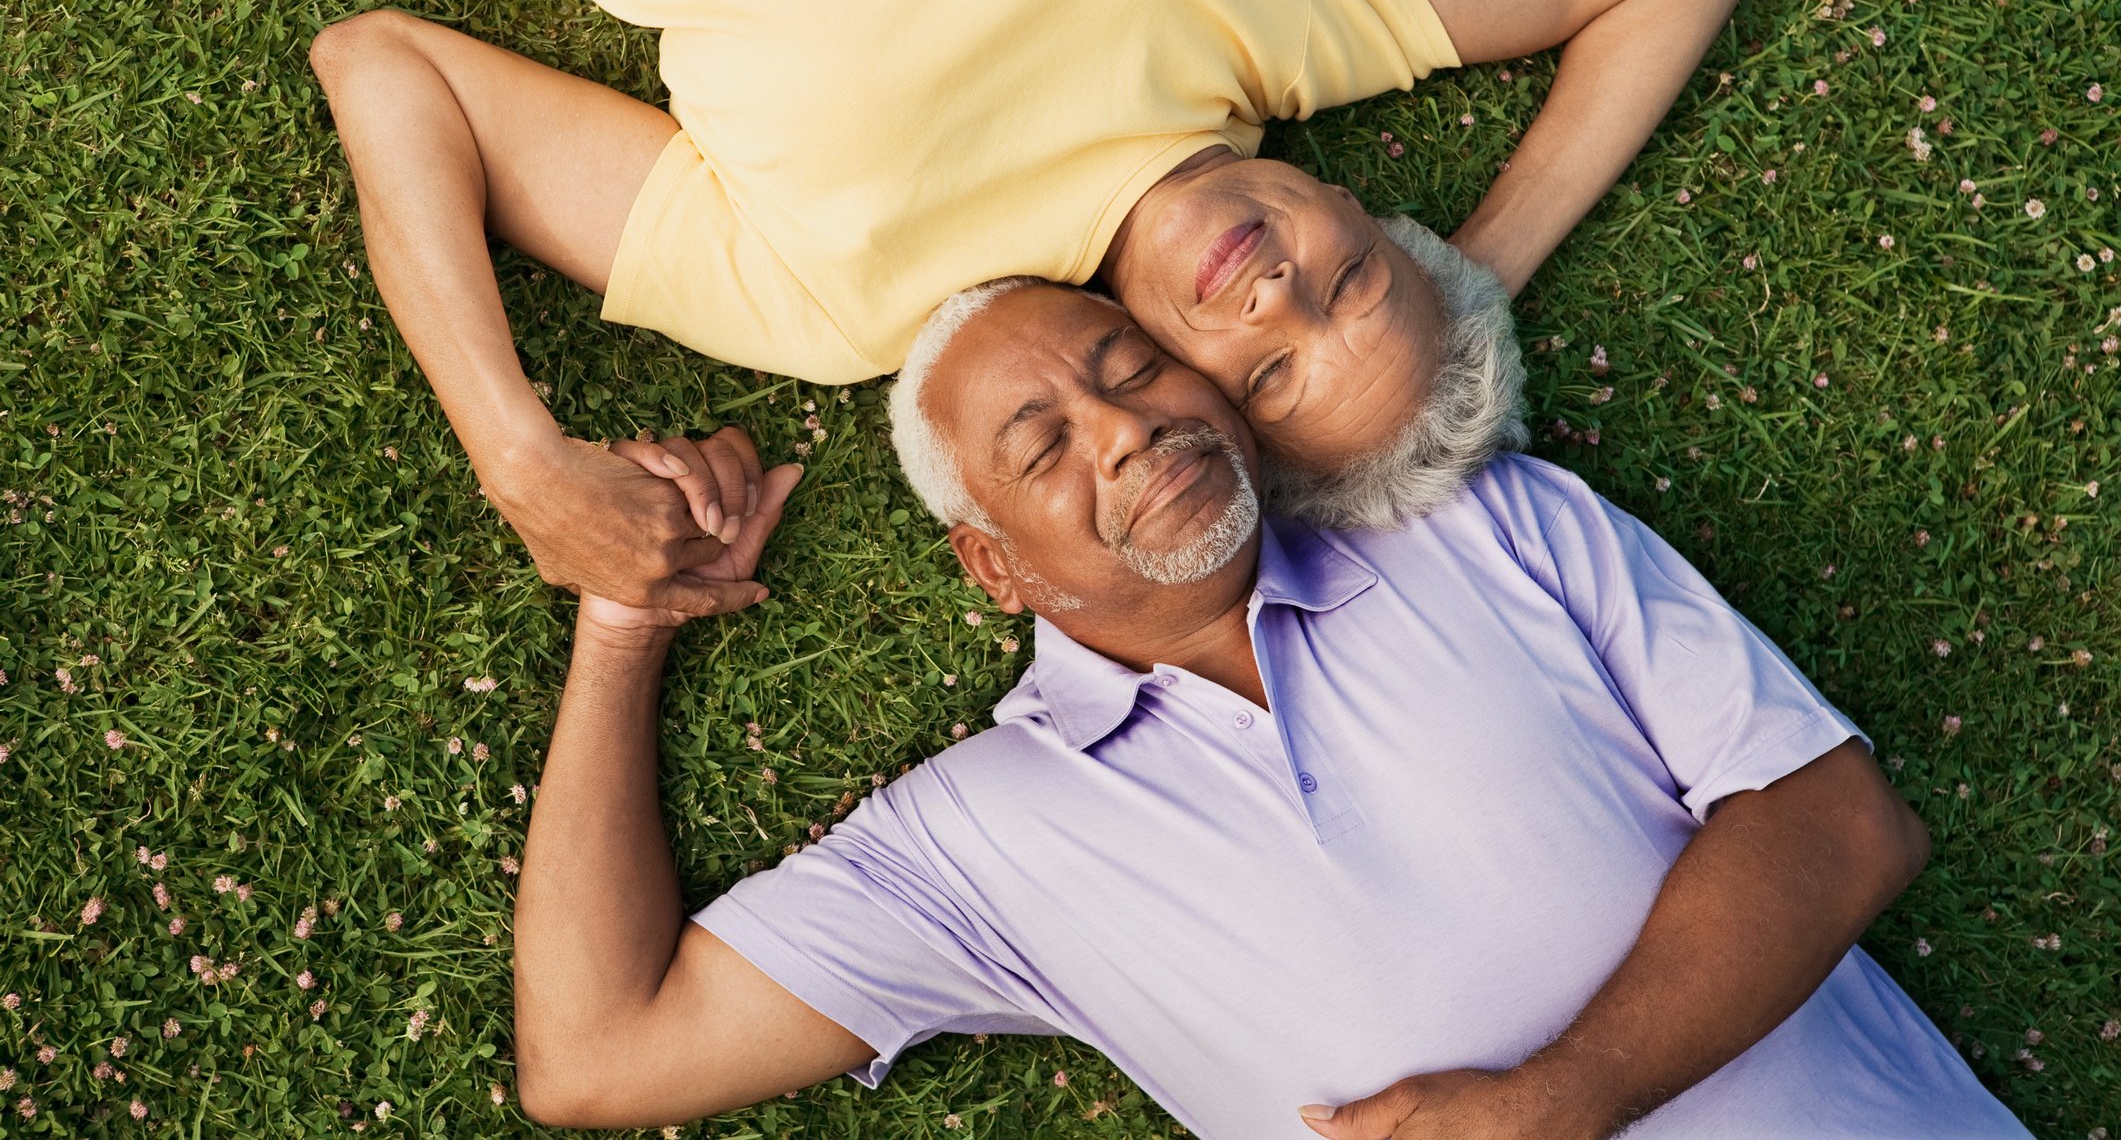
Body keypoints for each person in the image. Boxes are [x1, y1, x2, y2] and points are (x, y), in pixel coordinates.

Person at [238, 0, 1776, 612]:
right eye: (1352, 279)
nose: (1282, 292)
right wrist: (1472, 279)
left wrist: (517, 455)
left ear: (1188, 398)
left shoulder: (843, 296)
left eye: (1271, 371)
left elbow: (389, 72)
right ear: (1363, 209)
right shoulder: (1296, 11)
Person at [509, 279, 2026, 1138]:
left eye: (1134, 365)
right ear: (993, 566)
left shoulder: (1478, 525)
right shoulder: (979, 840)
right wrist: (627, 621)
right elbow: (592, 1053)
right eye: (1044, 444)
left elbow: (1837, 819)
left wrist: (1565, 1096)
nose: (1125, 426)